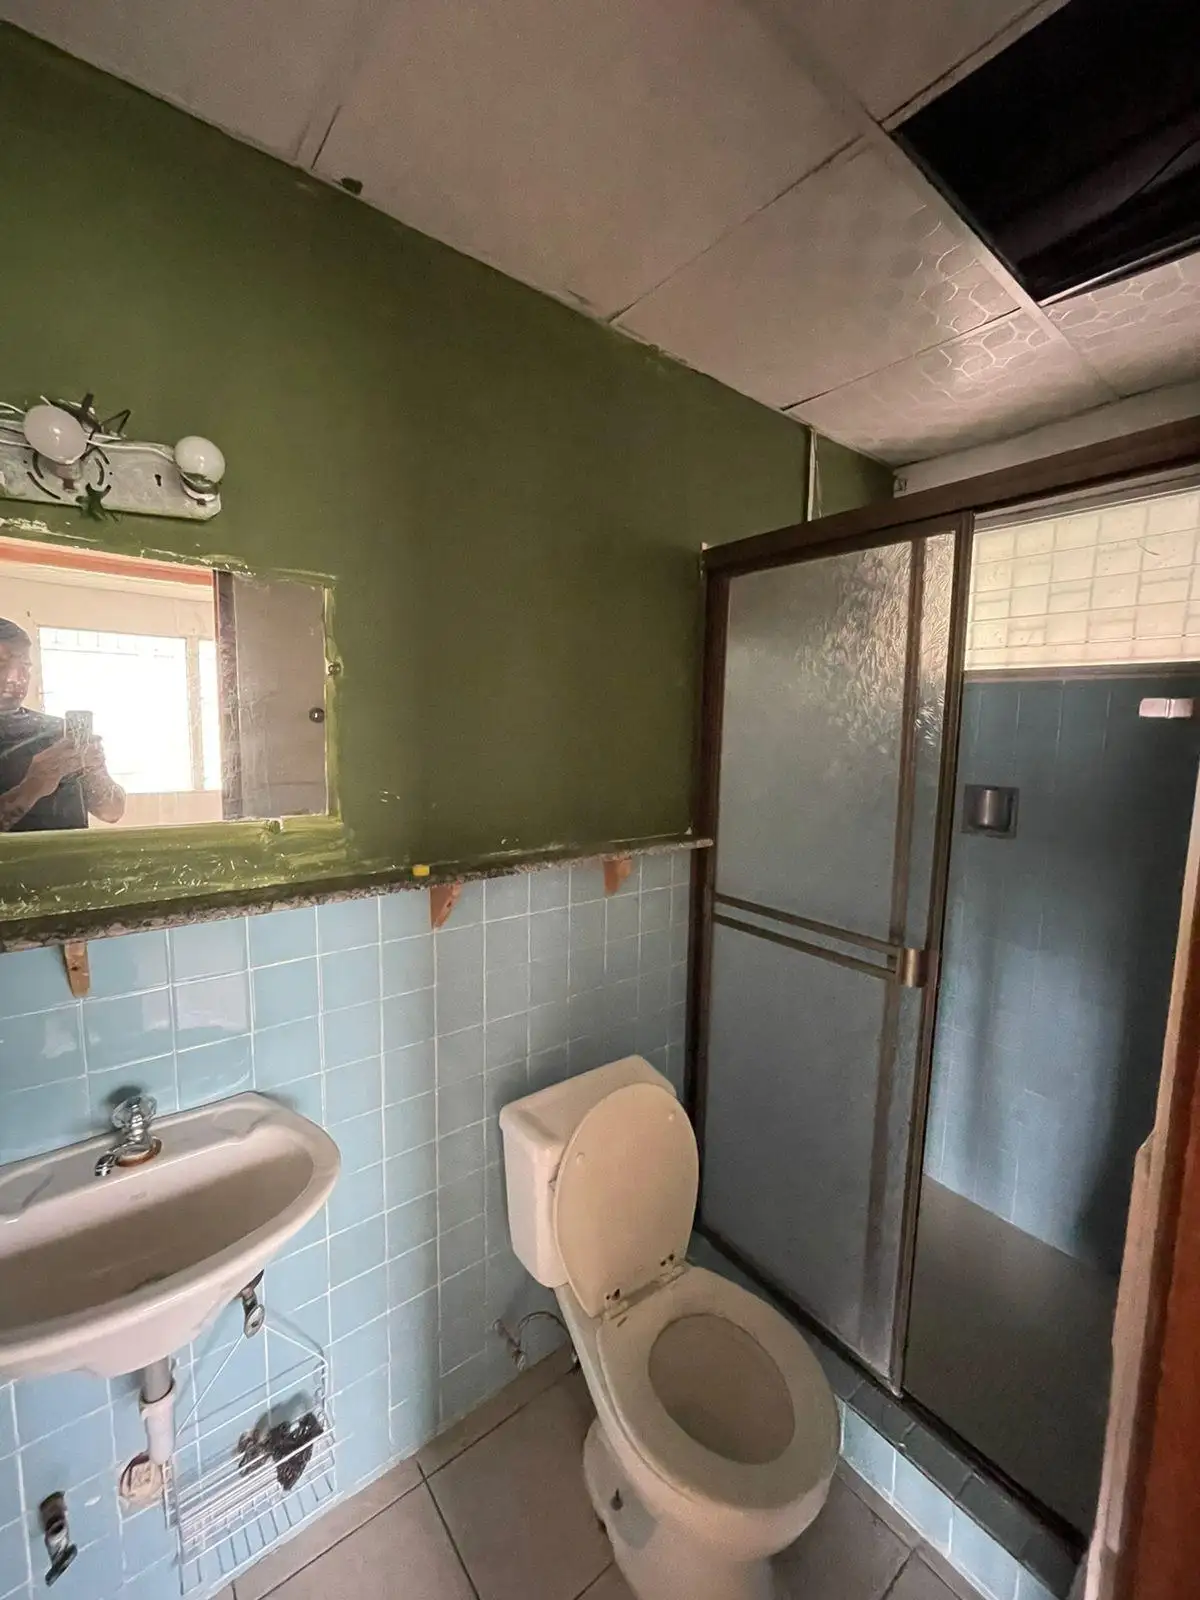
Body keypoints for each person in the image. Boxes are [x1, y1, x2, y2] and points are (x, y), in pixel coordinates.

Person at [0, 617, 126, 831]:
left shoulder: (56, 731)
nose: (15, 677)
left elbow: (112, 811)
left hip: (72, 854)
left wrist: (94, 771)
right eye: (2, 664)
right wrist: (33, 786)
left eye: (25, 666)